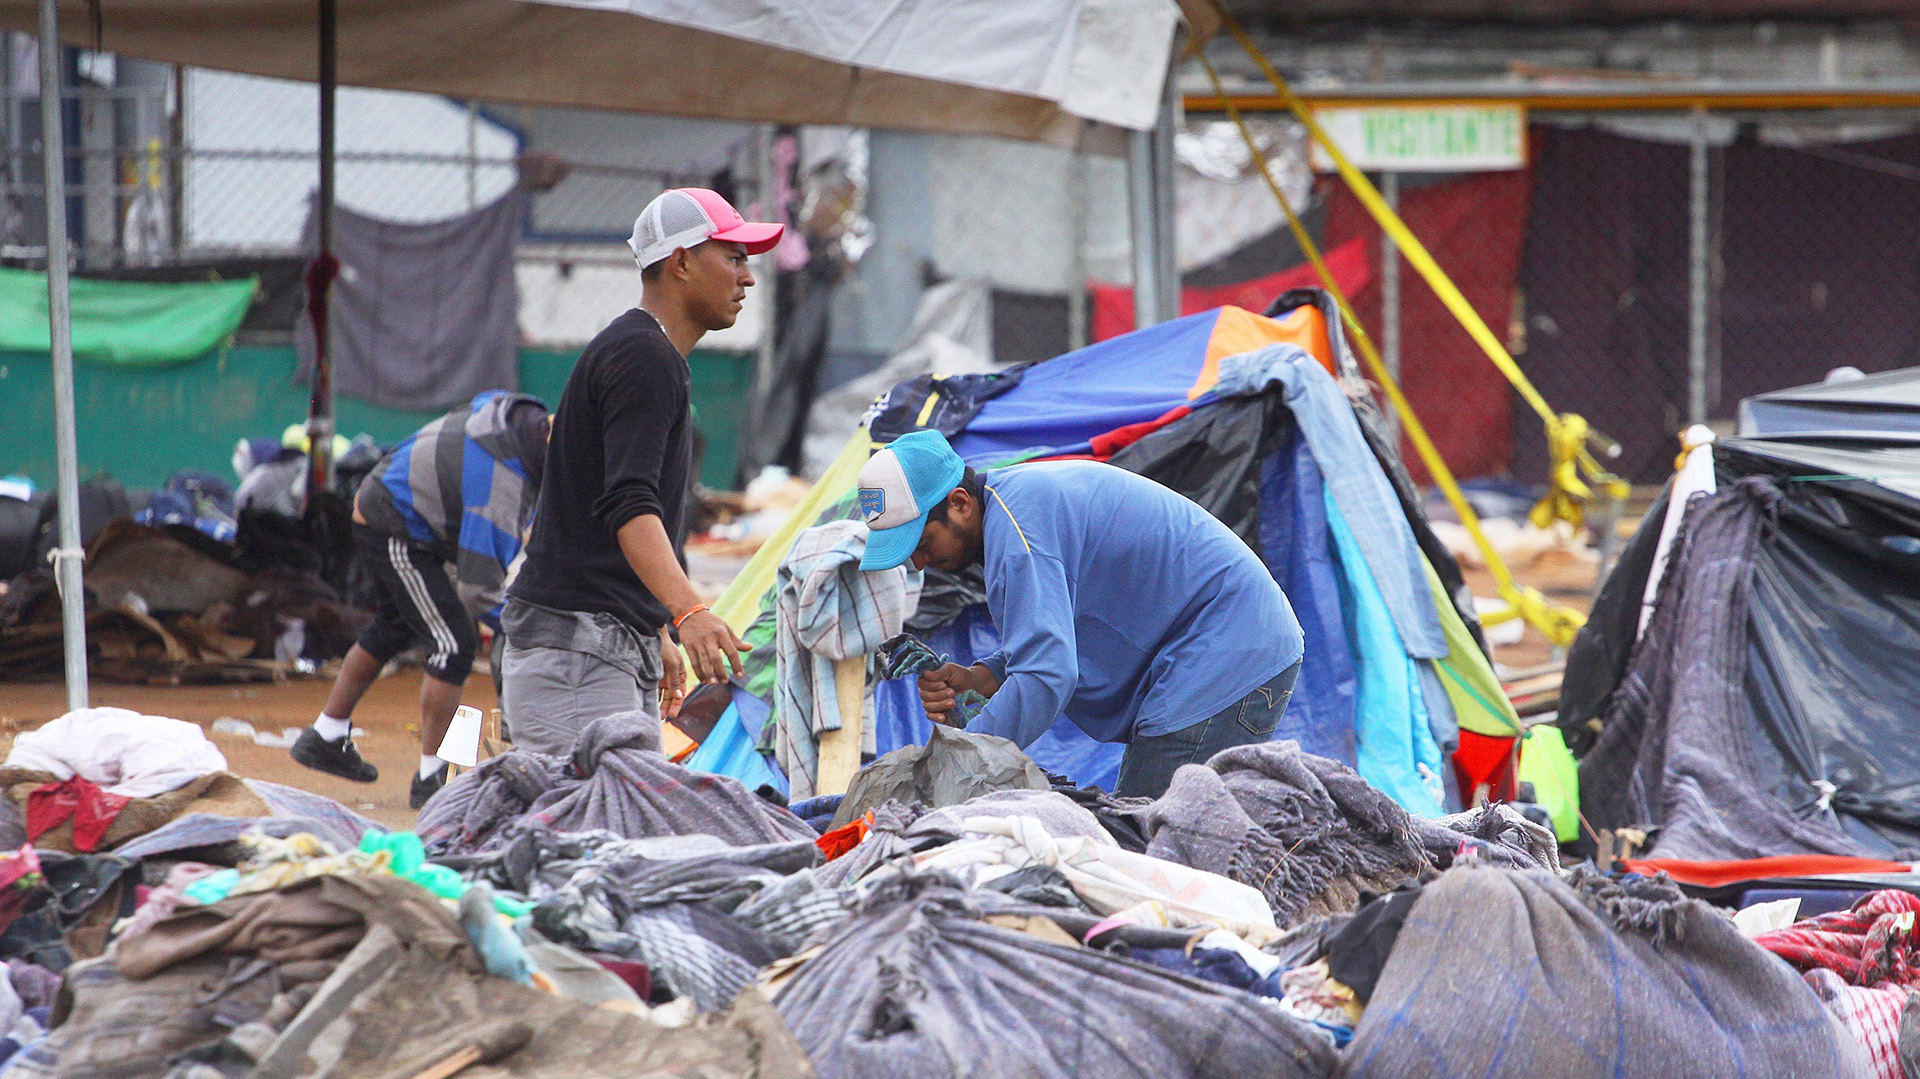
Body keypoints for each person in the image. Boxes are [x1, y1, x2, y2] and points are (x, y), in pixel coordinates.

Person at [859, 429, 1305, 799]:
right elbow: (1058, 633)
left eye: (921, 544)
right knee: (1158, 840)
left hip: (1227, 649)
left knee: (1150, 850)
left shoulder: (1018, 535)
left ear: (959, 503)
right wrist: (985, 677)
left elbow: (1047, 675)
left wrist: (954, 763)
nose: (918, 563)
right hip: (1225, 645)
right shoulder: (1016, 508)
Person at [499, 188, 781, 755]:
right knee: (597, 834)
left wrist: (652, 623)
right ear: (680, 262)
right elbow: (629, 507)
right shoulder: (644, 359)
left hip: (592, 647)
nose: (747, 278)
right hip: (576, 655)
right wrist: (689, 611)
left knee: (621, 828)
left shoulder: (645, 355)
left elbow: (597, 512)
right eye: (733, 258)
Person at [290, 390, 551, 808]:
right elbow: (479, 591)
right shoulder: (503, 487)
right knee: (454, 642)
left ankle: (326, 734)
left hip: (391, 503)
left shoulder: (514, 409)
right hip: (397, 524)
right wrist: (533, 629)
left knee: (394, 625)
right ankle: (434, 776)